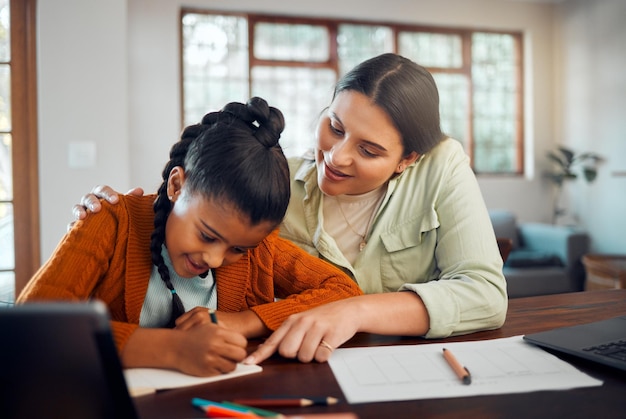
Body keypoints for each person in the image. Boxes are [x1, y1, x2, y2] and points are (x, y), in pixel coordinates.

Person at [71, 53, 508, 365]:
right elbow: (191, 205)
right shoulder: (276, 185)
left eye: (369, 150)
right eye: (334, 127)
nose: (336, 157)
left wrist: (355, 310)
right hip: (297, 368)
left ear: (408, 159)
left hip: (410, 369)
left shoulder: (442, 166)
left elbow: (485, 294)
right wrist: (114, 212)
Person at [19, 97, 362, 376]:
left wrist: (242, 322)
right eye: (207, 235)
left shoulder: (258, 250)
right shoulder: (109, 221)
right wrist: (171, 349)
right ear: (176, 186)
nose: (213, 259)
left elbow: (344, 291)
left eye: (237, 249)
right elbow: (33, 328)